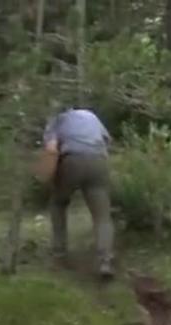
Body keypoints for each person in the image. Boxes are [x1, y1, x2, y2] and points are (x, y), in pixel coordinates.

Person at [42, 107, 115, 278]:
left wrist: (48, 177)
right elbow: (108, 140)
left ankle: (59, 255)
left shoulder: (56, 121)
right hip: (99, 161)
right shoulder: (91, 115)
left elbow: (51, 150)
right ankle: (105, 261)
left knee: (58, 204)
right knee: (102, 215)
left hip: (72, 160)